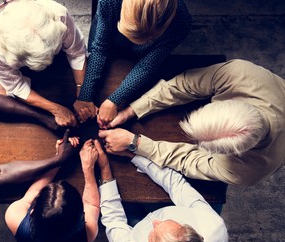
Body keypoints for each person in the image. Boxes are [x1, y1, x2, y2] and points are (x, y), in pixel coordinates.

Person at [98, 59, 285, 187]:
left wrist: (136, 143)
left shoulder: (247, 172)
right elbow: (183, 86)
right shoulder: (241, 73)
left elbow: (189, 161)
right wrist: (131, 111)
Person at [95, 141, 228, 242]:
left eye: (153, 237)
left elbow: (114, 221)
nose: (155, 221)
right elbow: (177, 185)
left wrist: (105, 168)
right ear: (200, 237)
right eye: (178, 225)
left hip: (135, 229)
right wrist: (134, 155)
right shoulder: (213, 226)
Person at [73, 0, 191, 128]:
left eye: (148, 39)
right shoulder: (109, 2)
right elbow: (100, 48)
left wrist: (114, 100)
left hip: (141, 56)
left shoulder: (181, 21)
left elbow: (147, 65)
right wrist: (85, 95)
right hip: (108, 29)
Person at [0, 0, 88, 127]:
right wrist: (55, 109)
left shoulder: (58, 14)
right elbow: (17, 87)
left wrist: (82, 93)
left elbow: (77, 52)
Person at [5, 139, 100, 242]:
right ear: (81, 215)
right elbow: (92, 205)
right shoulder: (88, 233)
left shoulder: (14, 217)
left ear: (33, 210)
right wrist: (88, 167)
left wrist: (59, 158)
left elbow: (32, 193)